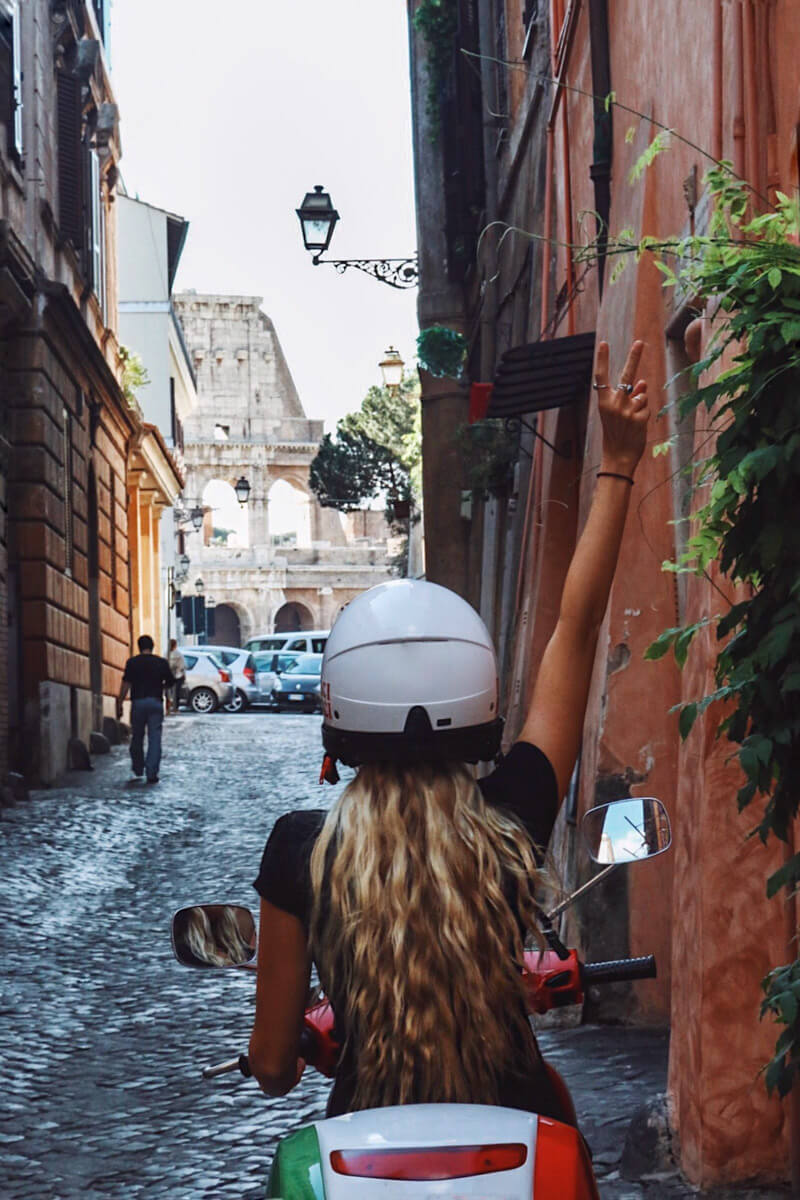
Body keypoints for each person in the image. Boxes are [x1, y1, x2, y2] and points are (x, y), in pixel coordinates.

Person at [248, 339, 650, 1117]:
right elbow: (576, 627)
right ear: (479, 703)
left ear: (339, 718)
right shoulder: (512, 818)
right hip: (518, 1127)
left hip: (364, 1142)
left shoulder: (301, 850)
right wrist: (620, 462)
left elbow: (271, 1066)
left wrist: (295, 1043)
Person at [117, 635, 174, 783]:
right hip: (155, 702)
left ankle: (138, 767)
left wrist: (120, 702)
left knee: (137, 736)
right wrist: (163, 690)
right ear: (153, 646)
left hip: (138, 702)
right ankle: (152, 772)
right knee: (155, 738)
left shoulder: (132, 663)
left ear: (139, 647)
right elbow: (170, 681)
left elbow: (126, 684)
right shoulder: (161, 663)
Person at [166, 639, 186, 715]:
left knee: (168, 692)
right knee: (176, 693)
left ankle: (168, 707)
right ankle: (175, 708)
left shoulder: (166, 653)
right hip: (177, 675)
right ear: (175, 645)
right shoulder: (179, 654)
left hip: (169, 675)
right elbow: (182, 666)